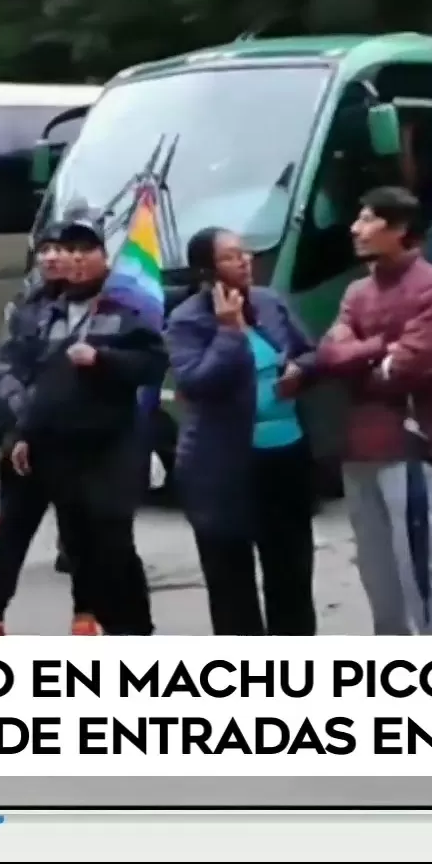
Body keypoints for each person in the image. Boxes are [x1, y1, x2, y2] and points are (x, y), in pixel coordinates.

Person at [314, 186, 432, 636]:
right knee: (375, 570)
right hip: (357, 447)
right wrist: (378, 350)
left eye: (367, 220)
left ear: (399, 230)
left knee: (418, 566)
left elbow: (410, 367)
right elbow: (329, 353)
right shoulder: (357, 290)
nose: (355, 228)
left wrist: (358, 358)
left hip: (409, 444)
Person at [7, 219, 167, 636]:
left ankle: (134, 631)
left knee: (112, 541)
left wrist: (103, 360)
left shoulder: (124, 309)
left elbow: (153, 364)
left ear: (103, 257)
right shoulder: (48, 312)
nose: (75, 260)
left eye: (85, 251)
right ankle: (106, 625)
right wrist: (25, 431)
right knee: (78, 548)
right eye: (68, 251)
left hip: (110, 447)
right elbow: (35, 379)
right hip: (59, 449)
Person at [165, 226, 321, 635]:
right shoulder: (186, 321)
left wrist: (300, 370)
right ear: (207, 270)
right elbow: (197, 382)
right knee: (231, 579)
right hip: (224, 466)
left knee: (291, 570)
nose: (245, 260)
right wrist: (229, 332)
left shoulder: (269, 302)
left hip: (285, 457)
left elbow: (311, 352)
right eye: (232, 256)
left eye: (245, 252)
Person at [0, 224, 96, 635]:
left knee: (78, 532)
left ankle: (85, 614)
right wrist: (22, 419)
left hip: (73, 436)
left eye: (61, 249)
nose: (51, 257)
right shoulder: (27, 307)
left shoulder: (96, 306)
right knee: (13, 529)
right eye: (45, 249)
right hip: (24, 438)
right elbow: (7, 366)